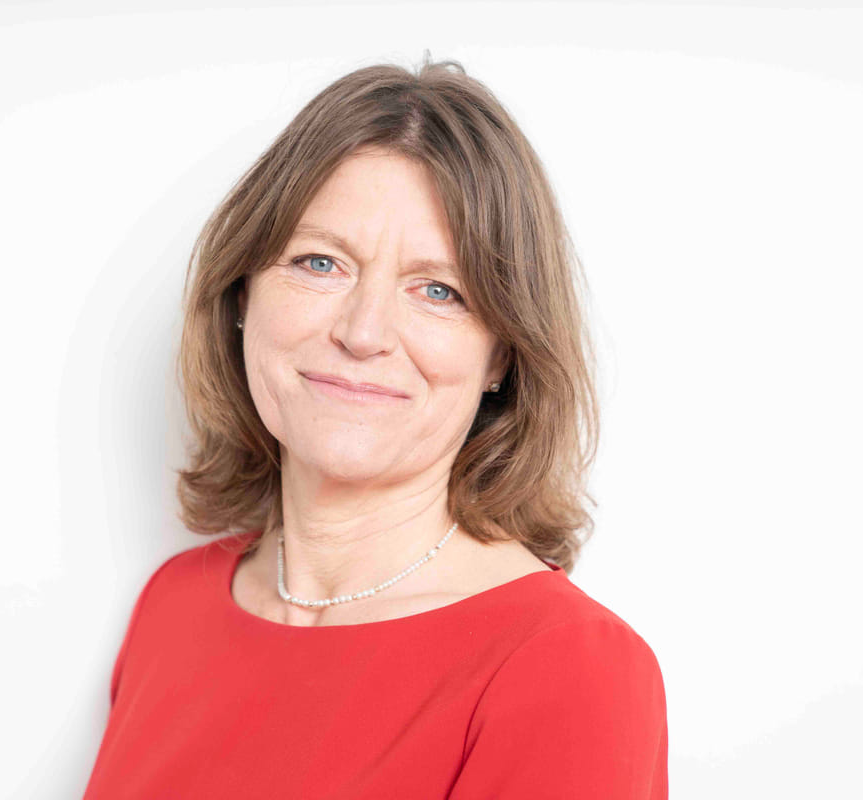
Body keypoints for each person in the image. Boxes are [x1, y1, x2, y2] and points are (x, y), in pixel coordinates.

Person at [83, 55, 667, 799]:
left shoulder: (569, 671)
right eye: (320, 263)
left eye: (439, 290)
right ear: (241, 297)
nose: (363, 333)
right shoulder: (174, 606)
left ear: (502, 355)